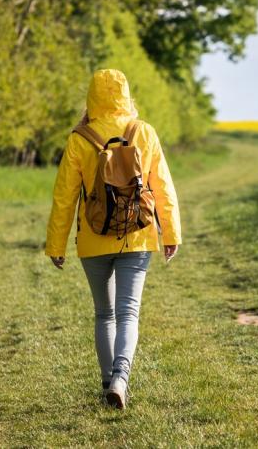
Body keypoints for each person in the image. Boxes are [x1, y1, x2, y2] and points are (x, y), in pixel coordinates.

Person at [44, 68, 182, 409]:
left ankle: (109, 382)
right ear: (126, 95)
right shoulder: (144, 132)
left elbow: (65, 197)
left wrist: (56, 245)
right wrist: (171, 232)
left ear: (92, 97)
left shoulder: (80, 138)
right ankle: (121, 378)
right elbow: (162, 186)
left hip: (93, 239)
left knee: (104, 314)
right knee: (128, 313)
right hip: (137, 236)